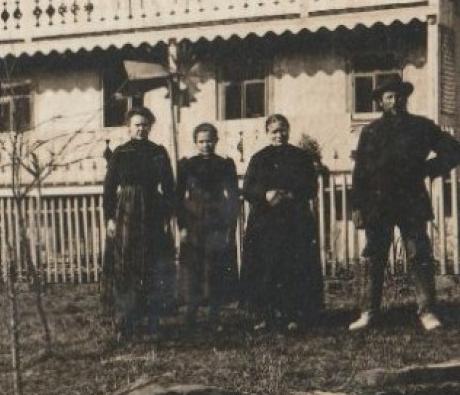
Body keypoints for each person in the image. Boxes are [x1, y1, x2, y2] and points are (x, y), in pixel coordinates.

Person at [348, 74, 460, 332]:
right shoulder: (370, 132)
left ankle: (427, 312)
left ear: (406, 98)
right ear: (381, 102)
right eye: (389, 96)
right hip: (377, 202)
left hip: (410, 200)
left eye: (400, 95)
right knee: (374, 256)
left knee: (419, 254)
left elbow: (455, 150)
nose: (396, 100)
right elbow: (361, 173)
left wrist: (427, 168)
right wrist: (356, 206)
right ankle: (368, 312)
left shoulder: (422, 127)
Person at [240, 113, 325, 331]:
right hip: (265, 222)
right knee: (266, 267)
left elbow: (311, 187)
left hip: (294, 220)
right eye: (274, 131)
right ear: (267, 133)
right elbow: (248, 188)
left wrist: (291, 194)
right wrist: (265, 194)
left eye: (282, 130)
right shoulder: (259, 158)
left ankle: (293, 315)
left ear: (288, 130)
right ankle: (265, 315)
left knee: (294, 267)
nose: (279, 135)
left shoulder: (301, 157)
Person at [101, 106, 179, 337]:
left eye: (145, 125)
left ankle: (152, 318)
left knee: (152, 263)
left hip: (153, 210)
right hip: (126, 211)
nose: (141, 129)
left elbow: (169, 187)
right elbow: (108, 189)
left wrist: (166, 216)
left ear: (150, 127)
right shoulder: (121, 153)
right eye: (137, 125)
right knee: (126, 264)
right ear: (129, 127)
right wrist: (110, 219)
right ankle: (125, 320)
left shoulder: (158, 152)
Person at [176, 123, 242, 325]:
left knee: (215, 267)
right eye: (201, 141)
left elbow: (233, 197)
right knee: (193, 267)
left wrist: (230, 225)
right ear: (195, 142)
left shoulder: (224, 164)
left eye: (209, 141)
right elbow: (178, 197)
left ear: (216, 141)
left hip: (216, 219)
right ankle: (192, 311)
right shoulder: (187, 165)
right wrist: (182, 226)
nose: (206, 145)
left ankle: (214, 312)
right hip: (193, 219)